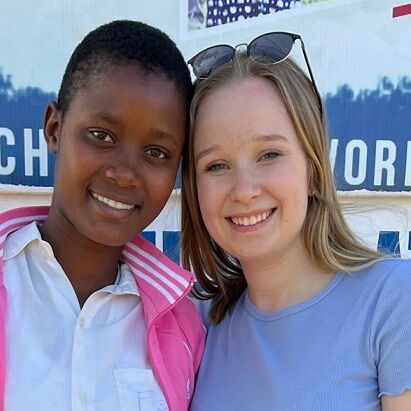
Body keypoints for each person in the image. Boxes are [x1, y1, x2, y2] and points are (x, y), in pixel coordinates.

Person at [181, 32, 411, 410]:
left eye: (269, 154)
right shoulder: (196, 325)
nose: (244, 190)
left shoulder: (394, 299)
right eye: (216, 165)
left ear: (314, 170)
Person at [0, 20, 205, 411]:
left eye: (156, 153)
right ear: (54, 128)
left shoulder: (184, 326)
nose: (124, 174)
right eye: (102, 136)